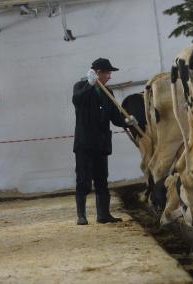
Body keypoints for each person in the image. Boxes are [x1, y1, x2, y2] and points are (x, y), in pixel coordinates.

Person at [72, 58, 136, 225]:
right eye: (107, 73)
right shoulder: (80, 87)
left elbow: (115, 117)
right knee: (83, 180)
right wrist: (90, 85)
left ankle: (103, 215)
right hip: (85, 143)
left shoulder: (109, 93)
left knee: (102, 179)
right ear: (97, 73)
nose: (109, 76)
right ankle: (81, 216)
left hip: (101, 143)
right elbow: (77, 101)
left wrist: (127, 121)